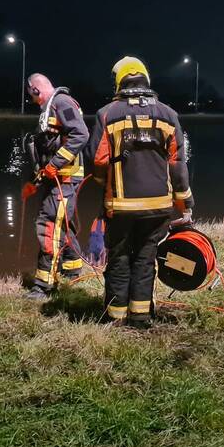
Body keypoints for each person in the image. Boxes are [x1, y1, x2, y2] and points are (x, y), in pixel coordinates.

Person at [85, 56, 194, 326]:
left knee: (119, 259)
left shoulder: (107, 114)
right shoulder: (169, 115)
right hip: (159, 207)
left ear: (120, 80)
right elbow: (177, 163)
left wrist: (104, 183)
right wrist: (185, 200)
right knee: (146, 260)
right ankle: (141, 316)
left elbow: (97, 160)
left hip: (121, 207)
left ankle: (115, 318)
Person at [24, 73, 89, 300]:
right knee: (64, 226)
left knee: (48, 225)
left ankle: (43, 286)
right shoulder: (50, 109)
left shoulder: (61, 103)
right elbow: (47, 146)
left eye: (30, 95)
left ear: (35, 89)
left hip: (65, 180)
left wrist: (55, 163)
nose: (31, 100)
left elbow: (81, 134)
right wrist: (35, 180)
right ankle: (72, 270)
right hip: (55, 179)